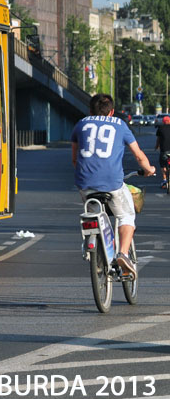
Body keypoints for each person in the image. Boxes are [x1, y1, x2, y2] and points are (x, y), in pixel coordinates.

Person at [71, 93, 155, 276]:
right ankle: (123, 254)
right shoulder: (120, 125)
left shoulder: (81, 124)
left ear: (90, 110)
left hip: (84, 184)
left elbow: (75, 160)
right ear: (112, 112)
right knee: (126, 215)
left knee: (94, 213)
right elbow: (139, 155)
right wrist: (149, 169)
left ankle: (93, 244)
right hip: (112, 183)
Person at [155, 115, 170, 190]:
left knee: (162, 165)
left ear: (163, 122)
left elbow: (158, 140)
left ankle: (164, 180)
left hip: (164, 151)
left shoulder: (160, 128)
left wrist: (156, 147)